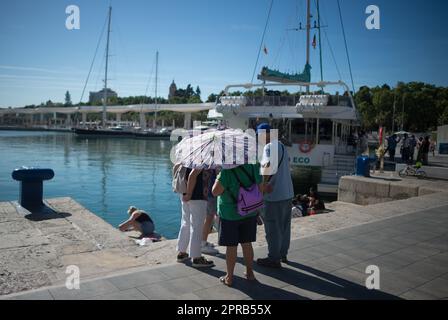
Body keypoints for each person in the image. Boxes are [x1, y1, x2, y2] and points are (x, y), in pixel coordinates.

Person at [212, 163, 262, 286]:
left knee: (231, 246)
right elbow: (261, 186)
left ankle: (229, 277)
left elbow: (215, 192)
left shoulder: (226, 171)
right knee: (247, 243)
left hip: (230, 214)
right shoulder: (254, 165)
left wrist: (218, 176)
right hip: (249, 211)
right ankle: (250, 273)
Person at [256, 123, 294, 268]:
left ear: (266, 134)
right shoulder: (281, 146)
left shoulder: (269, 146)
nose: (259, 138)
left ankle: (273, 258)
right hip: (287, 193)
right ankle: (282, 253)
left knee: (272, 227)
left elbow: (266, 166)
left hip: (274, 195)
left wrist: (263, 186)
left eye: (259, 135)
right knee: (284, 227)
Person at [176, 167, 214, 268]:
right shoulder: (201, 154)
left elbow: (176, 167)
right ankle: (196, 257)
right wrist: (189, 193)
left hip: (184, 192)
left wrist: (186, 193)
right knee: (197, 226)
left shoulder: (187, 153)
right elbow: (193, 174)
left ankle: (182, 252)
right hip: (197, 194)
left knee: (185, 222)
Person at [201, 168, 219, 255]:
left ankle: (203, 241)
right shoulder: (212, 160)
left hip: (208, 190)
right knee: (209, 217)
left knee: (209, 217)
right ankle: (202, 243)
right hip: (210, 191)